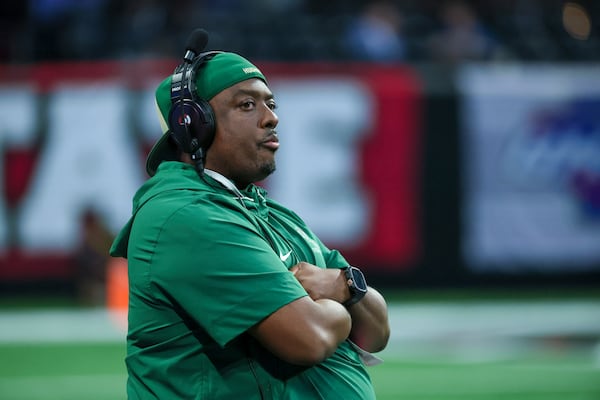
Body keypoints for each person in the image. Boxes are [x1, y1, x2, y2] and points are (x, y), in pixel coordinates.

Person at [109, 29, 390, 399]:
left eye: (271, 104)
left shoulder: (271, 212)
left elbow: (377, 332)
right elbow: (310, 339)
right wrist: (339, 309)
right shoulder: (185, 215)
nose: (271, 118)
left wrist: (343, 284)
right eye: (247, 105)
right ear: (194, 124)